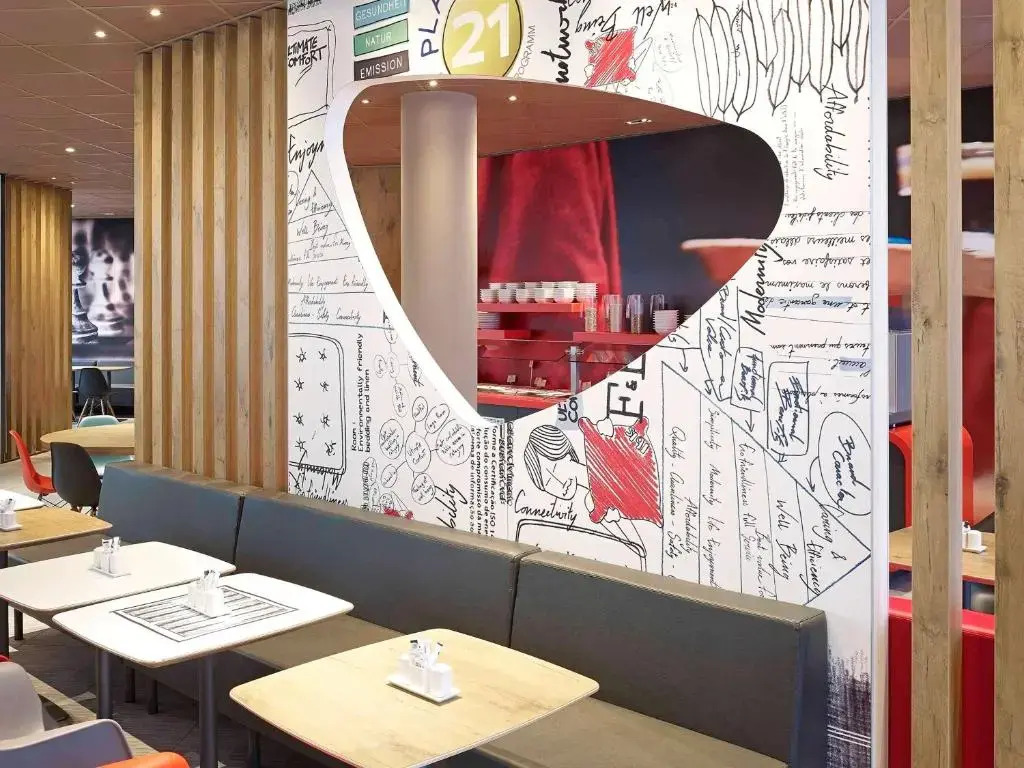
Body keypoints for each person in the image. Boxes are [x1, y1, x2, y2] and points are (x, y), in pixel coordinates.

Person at [522, 418, 660, 569]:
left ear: (566, 453)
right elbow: (638, 549)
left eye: (555, 468)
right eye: (548, 482)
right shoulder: (594, 505)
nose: (559, 482)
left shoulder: (598, 446)